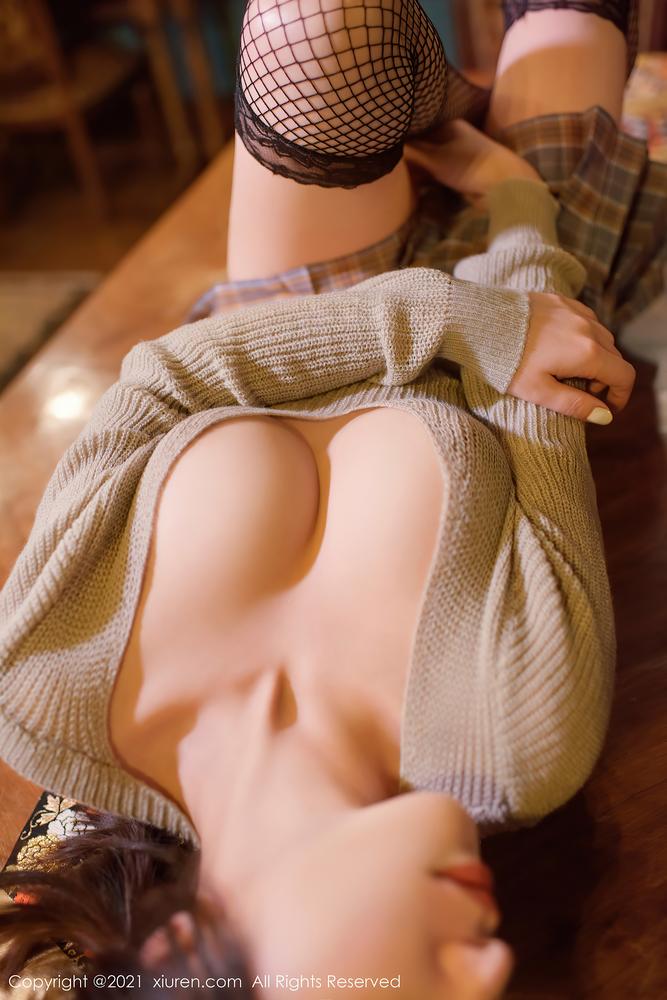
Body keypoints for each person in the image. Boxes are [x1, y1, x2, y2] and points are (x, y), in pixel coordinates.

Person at [0, 1, 664, 997]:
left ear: (180, 959)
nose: (485, 968)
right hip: (522, 283)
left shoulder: (46, 688)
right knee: (565, 25)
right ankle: (461, 110)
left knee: (320, 24)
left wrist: (455, 319)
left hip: (295, 308)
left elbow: (164, 382)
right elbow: (542, 396)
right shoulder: (515, 743)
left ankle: (442, 100)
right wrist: (512, 197)